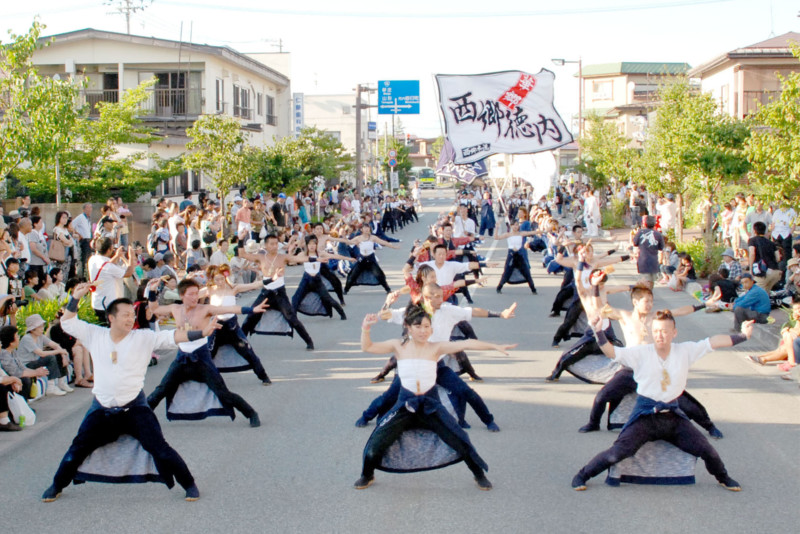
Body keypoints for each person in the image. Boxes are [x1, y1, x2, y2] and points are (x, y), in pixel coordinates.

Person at [41, 283, 212, 502]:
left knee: (160, 449)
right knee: (77, 449)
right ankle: (57, 485)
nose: (131, 319)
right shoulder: (96, 334)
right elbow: (67, 323)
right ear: (111, 318)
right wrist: (74, 298)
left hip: (135, 408)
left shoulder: (142, 337)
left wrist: (201, 333)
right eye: (125, 315)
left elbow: (173, 337)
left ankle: (189, 484)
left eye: (132, 315)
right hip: (101, 408)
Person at [571, 311, 752, 492]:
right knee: (617, 453)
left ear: (674, 333)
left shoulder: (685, 351)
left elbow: (714, 342)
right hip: (645, 416)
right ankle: (582, 475)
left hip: (673, 416)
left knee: (707, 450)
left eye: (665, 331)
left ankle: (723, 477)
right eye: (656, 331)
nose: (660, 335)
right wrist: (598, 331)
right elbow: (611, 351)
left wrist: (743, 335)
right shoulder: (640, 353)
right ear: (651, 332)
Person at [354, 306, 516, 491]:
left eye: (427, 326)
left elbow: (467, 344)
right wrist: (365, 328)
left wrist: (495, 346)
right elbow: (367, 347)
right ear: (408, 327)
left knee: (459, 438)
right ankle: (367, 475)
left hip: (431, 405)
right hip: (404, 404)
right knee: (377, 441)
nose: (424, 331)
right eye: (418, 326)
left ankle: (479, 474)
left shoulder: (436, 347)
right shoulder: (398, 346)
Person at [578, 284, 724, 439]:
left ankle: (710, 426)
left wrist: (704, 304)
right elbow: (599, 306)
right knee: (603, 396)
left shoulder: (657, 316)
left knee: (683, 401)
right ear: (635, 302)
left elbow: (681, 311)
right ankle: (593, 423)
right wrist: (595, 287)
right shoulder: (624, 315)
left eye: (651, 301)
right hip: (630, 368)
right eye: (645, 301)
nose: (649, 305)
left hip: (653, 369)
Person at [146, 278, 265, 425]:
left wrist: (251, 309)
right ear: (182, 295)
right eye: (191, 294)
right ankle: (140, 419)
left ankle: (251, 413)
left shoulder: (205, 309)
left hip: (201, 358)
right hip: (181, 358)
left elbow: (229, 309)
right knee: (161, 390)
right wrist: (152, 291)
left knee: (222, 393)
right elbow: (154, 309)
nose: (195, 297)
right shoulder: (175, 309)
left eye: (197, 293)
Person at [238, 234, 316, 350]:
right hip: (266, 293)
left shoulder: (282, 257)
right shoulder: (260, 257)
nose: (275, 246)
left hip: (279, 294)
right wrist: (240, 239)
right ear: (266, 245)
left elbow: (297, 258)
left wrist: (316, 258)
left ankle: (309, 341)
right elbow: (242, 254)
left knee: (291, 318)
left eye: (276, 244)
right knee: (251, 316)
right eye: (272, 244)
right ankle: (241, 343)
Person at [200, 264, 272, 384]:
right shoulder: (210, 290)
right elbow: (192, 294)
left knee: (248, 351)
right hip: (216, 326)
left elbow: (253, 285)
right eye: (216, 279)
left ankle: (264, 376)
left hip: (232, 327)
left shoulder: (233, 288)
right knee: (207, 354)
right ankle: (203, 380)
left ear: (225, 277)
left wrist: (268, 279)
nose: (219, 282)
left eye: (221, 279)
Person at [289, 235, 350, 320]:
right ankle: (293, 318)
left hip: (317, 280)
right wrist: (290, 250)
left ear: (316, 245)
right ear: (306, 245)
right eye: (310, 244)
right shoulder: (303, 254)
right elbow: (291, 259)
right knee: (295, 298)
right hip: (306, 279)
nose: (312, 246)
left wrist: (349, 259)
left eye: (314, 244)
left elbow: (335, 256)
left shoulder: (320, 253)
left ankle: (342, 313)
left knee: (327, 298)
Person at [88, 239, 136, 325]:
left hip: (96, 301)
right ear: (109, 249)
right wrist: (131, 256)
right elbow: (129, 273)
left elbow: (106, 265)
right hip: (106, 304)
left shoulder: (92, 259)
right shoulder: (108, 267)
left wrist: (117, 256)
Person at [344, 222, 399, 294]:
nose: (367, 229)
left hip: (370, 259)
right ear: (361, 229)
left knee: (378, 274)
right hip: (362, 259)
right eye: (365, 228)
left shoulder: (373, 237)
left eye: (368, 228)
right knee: (353, 275)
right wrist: (343, 236)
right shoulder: (358, 238)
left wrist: (393, 247)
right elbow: (348, 242)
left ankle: (387, 289)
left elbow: (383, 242)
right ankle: (346, 290)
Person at [494, 217, 538, 294]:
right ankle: (499, 287)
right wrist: (497, 227)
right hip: (511, 255)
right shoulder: (508, 234)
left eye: (517, 225)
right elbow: (496, 237)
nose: (515, 226)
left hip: (519, 255)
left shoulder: (521, 233)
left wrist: (544, 231)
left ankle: (533, 289)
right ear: (511, 226)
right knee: (507, 272)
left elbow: (531, 233)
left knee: (526, 271)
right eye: (513, 225)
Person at [748, 221, 782, 292]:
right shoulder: (771, 243)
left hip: (762, 272)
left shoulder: (752, 240)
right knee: (766, 293)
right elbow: (778, 258)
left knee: (755, 292)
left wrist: (751, 269)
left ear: (754, 231)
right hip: (775, 272)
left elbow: (752, 254)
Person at [632, 216, 665, 284]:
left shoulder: (640, 233)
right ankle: (648, 293)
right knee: (651, 281)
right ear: (654, 224)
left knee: (644, 280)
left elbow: (635, 243)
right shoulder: (658, 234)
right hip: (653, 261)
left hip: (643, 260)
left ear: (645, 224)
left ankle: (644, 293)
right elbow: (661, 247)